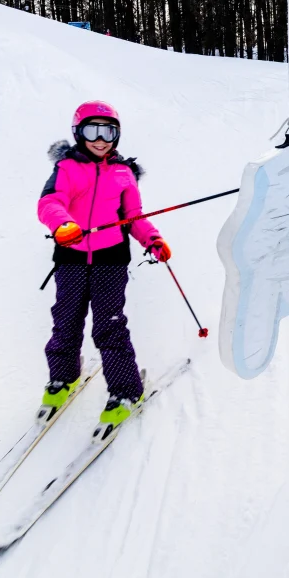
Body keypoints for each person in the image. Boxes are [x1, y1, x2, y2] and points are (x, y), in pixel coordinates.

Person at [37, 101, 171, 425]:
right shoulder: (67, 168)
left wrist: (152, 239)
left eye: (108, 132)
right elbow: (50, 202)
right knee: (66, 321)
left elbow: (133, 216)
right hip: (71, 257)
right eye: (92, 131)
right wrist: (62, 225)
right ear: (78, 133)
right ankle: (63, 377)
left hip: (110, 260)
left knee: (109, 326)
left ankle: (127, 391)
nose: (100, 140)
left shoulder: (124, 173)